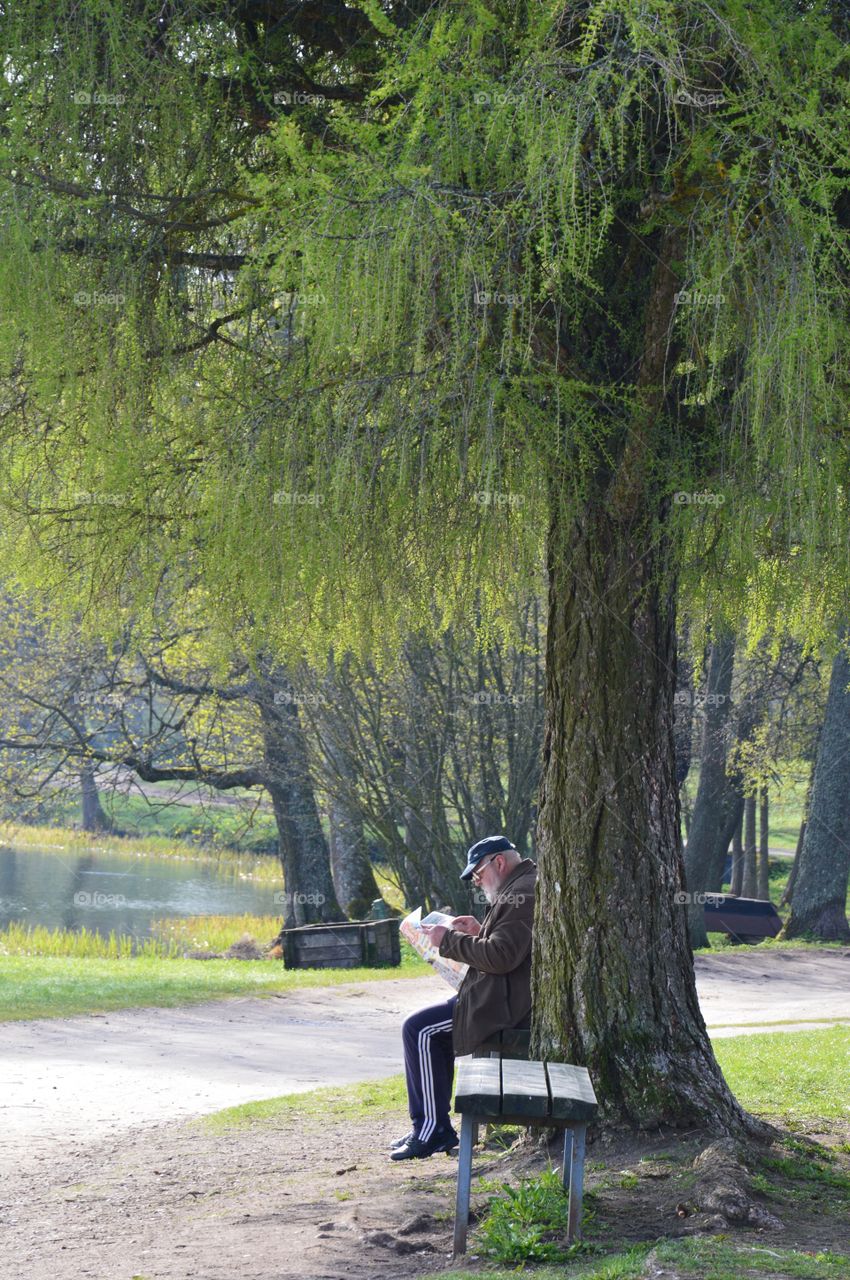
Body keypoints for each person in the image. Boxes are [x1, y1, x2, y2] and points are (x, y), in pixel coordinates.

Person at [390, 834, 537, 1161]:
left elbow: (502, 956)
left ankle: (431, 1130)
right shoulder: (520, 886)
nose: (476, 882)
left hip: (505, 1006)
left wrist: (450, 940)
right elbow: (511, 944)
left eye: (477, 874)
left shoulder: (523, 892)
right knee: (421, 1029)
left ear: (498, 862)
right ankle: (431, 1125)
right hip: (501, 999)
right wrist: (479, 930)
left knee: (420, 1030)